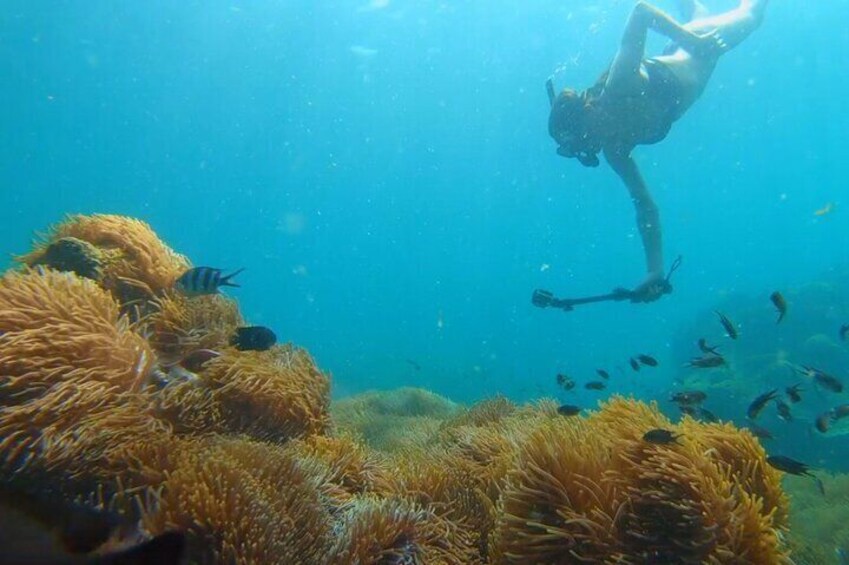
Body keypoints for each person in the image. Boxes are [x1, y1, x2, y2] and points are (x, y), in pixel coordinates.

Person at [548, 0, 769, 302]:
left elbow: (641, 11)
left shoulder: (620, 83)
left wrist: (693, 41)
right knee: (698, 16)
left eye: (586, 139)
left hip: (702, 44)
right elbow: (645, 206)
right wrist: (654, 270)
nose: (594, 145)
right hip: (681, 52)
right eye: (586, 146)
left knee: (752, 16)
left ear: (586, 112)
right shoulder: (616, 149)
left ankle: (696, 22)